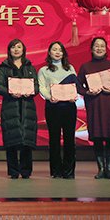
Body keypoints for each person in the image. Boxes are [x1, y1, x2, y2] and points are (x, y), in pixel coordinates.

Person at [77, 37, 110, 179]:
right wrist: (87, 92)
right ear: (92, 49)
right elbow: (78, 86)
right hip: (94, 105)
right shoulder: (85, 67)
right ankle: (101, 169)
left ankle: (109, 170)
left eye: (102, 46)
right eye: (96, 46)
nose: (99, 48)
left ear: (106, 49)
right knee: (97, 137)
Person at [0, 39, 39, 179]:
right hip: (10, 106)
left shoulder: (30, 67)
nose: (16, 50)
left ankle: (26, 171)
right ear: (9, 50)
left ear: (23, 50)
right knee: (11, 140)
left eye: (19, 47)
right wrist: (10, 92)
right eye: (13, 47)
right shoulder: (3, 67)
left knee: (27, 140)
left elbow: (36, 86)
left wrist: (30, 91)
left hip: (27, 106)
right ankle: (13, 171)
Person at [37, 41, 78, 179]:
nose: (57, 52)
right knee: (54, 139)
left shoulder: (70, 68)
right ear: (49, 52)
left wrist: (74, 96)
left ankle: (69, 171)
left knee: (69, 139)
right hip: (53, 107)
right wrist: (50, 97)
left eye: (60, 50)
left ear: (63, 53)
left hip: (69, 107)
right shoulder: (44, 70)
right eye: (54, 49)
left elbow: (75, 85)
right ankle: (56, 170)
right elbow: (42, 87)